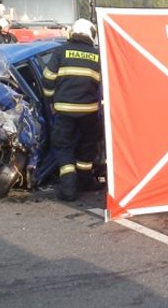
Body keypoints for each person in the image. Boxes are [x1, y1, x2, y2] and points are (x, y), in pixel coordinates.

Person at [42, 18, 103, 201]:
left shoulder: (61, 52)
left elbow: (47, 78)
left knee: (63, 147)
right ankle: (85, 181)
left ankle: (68, 190)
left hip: (64, 111)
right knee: (87, 147)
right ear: (91, 35)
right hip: (89, 112)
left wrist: (50, 100)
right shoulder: (97, 55)